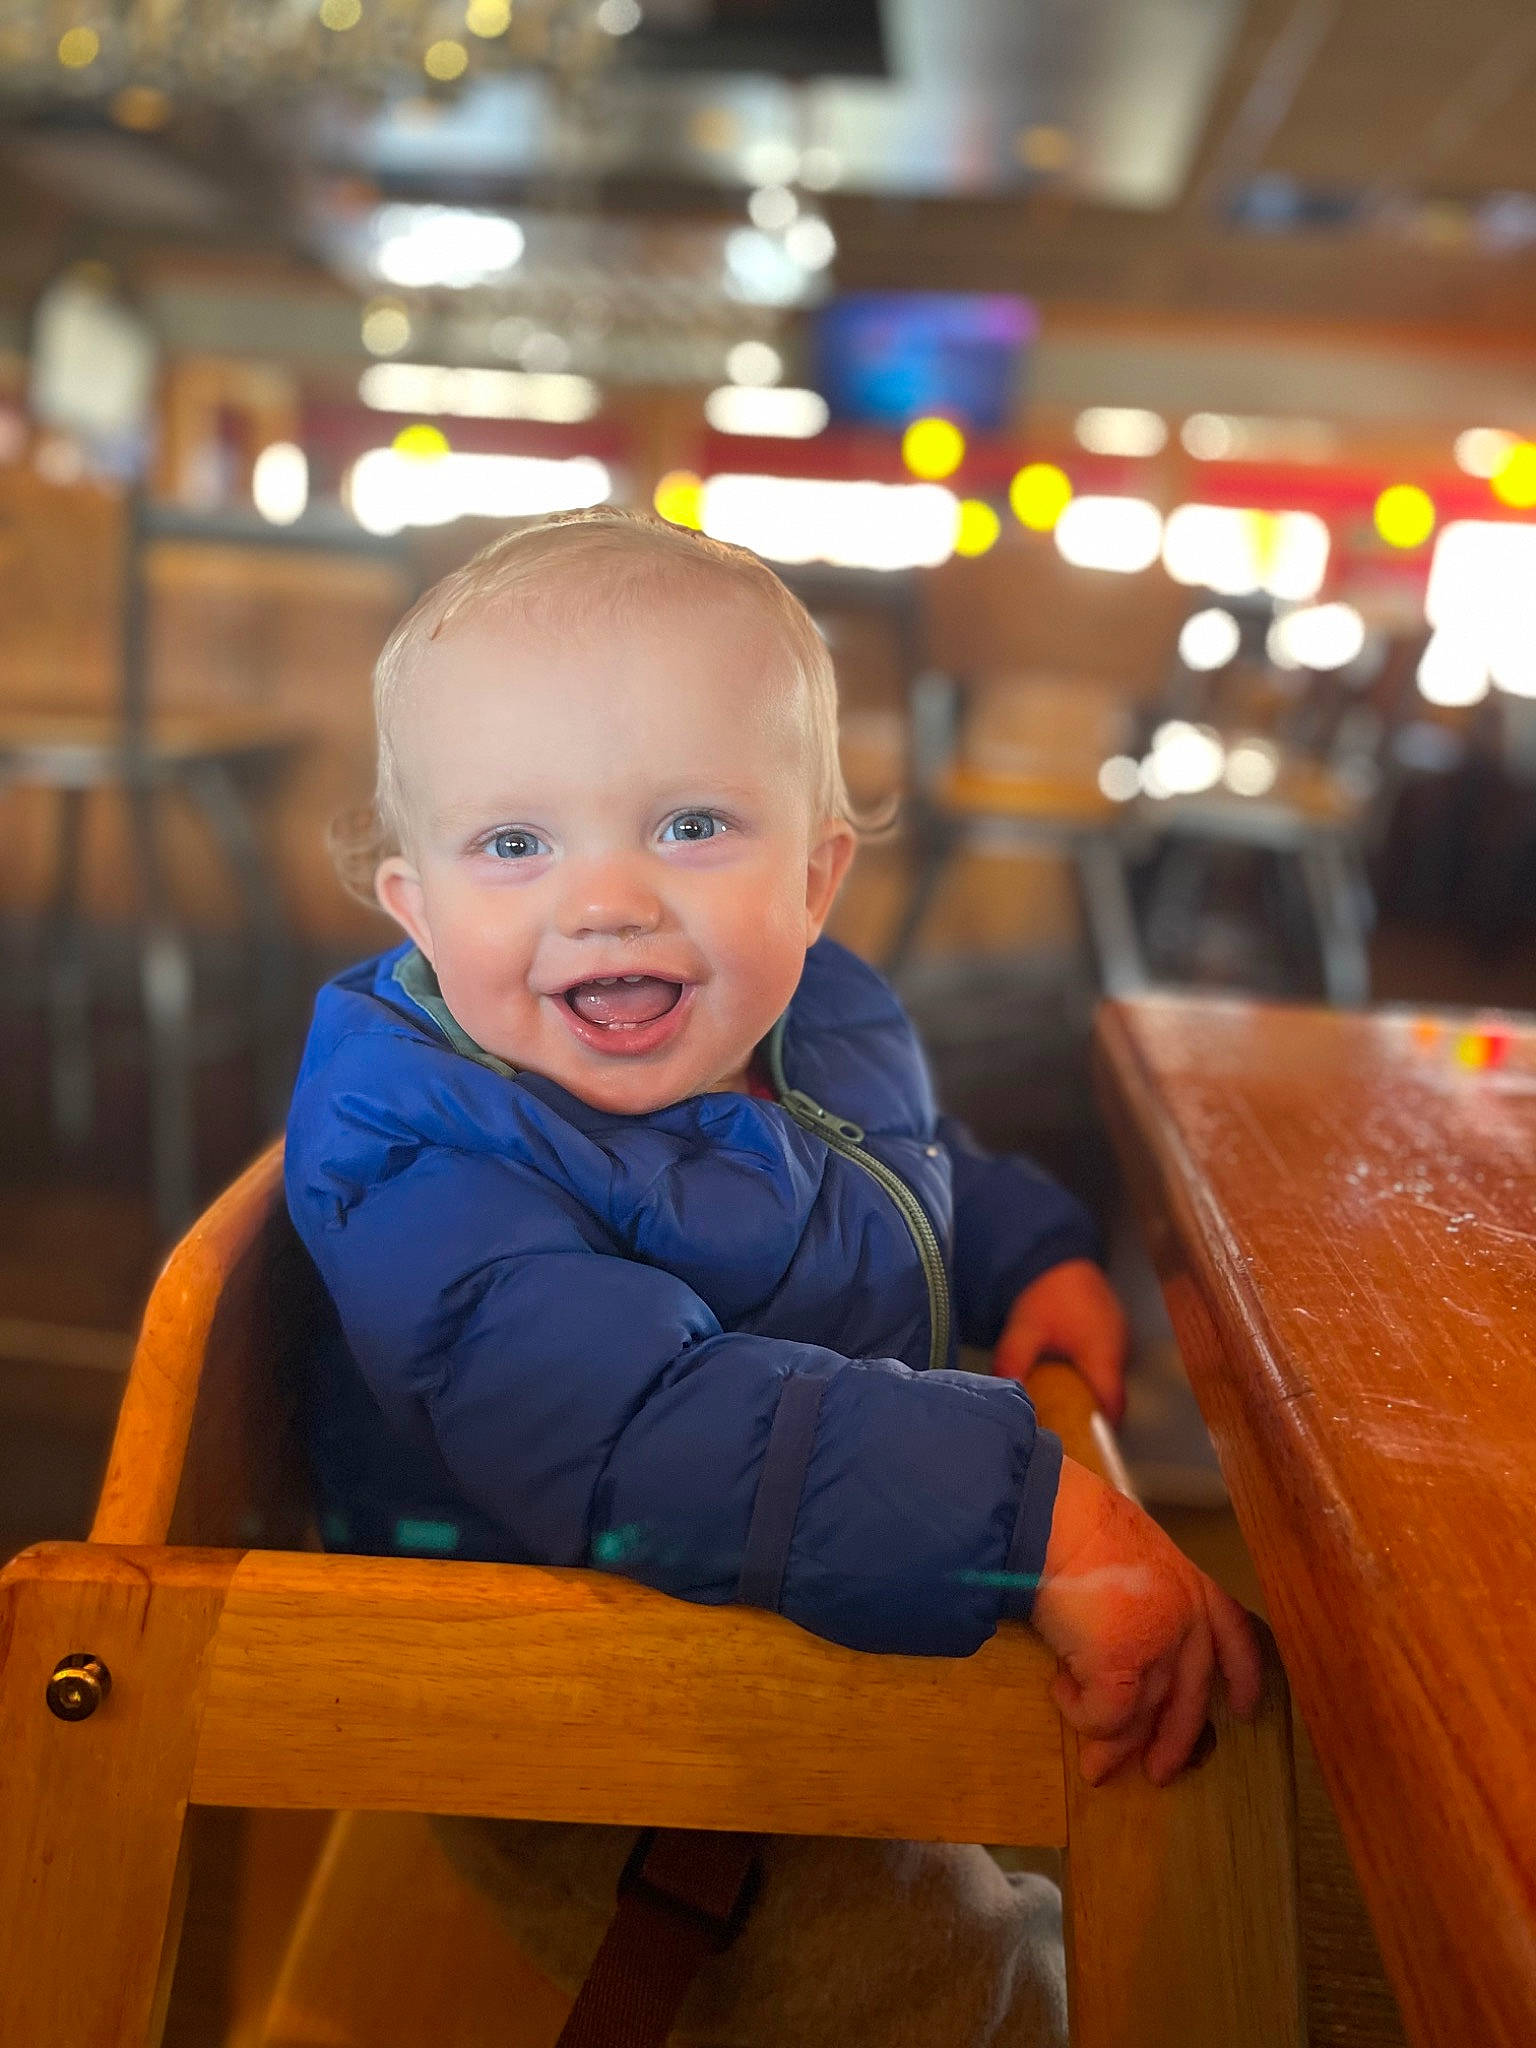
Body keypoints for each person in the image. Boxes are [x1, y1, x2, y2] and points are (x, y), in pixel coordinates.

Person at [285, 509, 1261, 2046]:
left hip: (780, 1603)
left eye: (686, 826)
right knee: (941, 1989)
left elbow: (908, 1169)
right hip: (587, 1722)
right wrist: (1028, 1513)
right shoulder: (427, 1157)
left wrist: (1031, 1250)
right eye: (515, 844)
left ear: (815, 879)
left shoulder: (817, 1025)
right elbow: (646, 1431)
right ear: (415, 910)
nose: (603, 898)